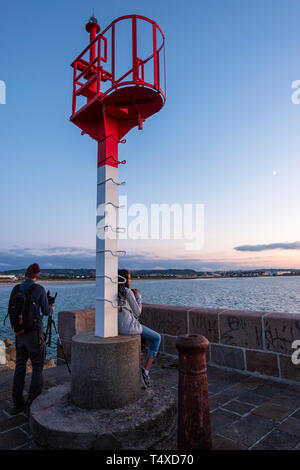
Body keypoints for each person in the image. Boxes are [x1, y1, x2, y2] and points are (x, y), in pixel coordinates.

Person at [8, 263, 54, 415]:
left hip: (19, 334)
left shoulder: (16, 289)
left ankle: (17, 403)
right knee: (37, 367)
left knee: (20, 368)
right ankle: (32, 402)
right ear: (37, 274)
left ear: (26, 274)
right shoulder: (39, 289)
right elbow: (46, 312)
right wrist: (51, 307)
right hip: (34, 334)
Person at [118, 269, 161, 388]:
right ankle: (146, 371)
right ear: (125, 279)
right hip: (130, 328)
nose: (131, 280)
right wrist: (138, 296)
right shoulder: (127, 291)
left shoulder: (113, 292)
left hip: (117, 328)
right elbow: (138, 312)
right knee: (157, 338)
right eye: (130, 278)